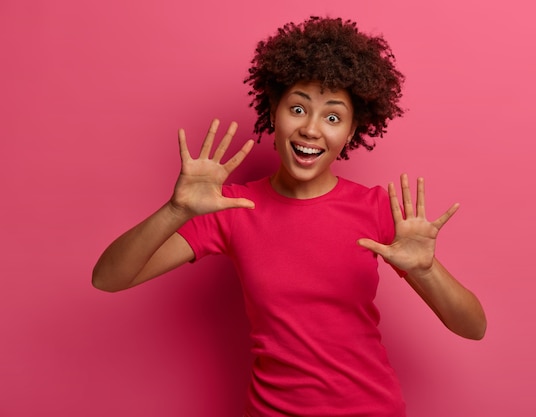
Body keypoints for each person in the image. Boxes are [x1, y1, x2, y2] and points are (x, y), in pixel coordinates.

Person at [93, 16, 486, 417]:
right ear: (274, 111)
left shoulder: (376, 209)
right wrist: (176, 210)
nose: (312, 129)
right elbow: (108, 279)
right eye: (298, 108)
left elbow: (473, 328)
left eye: (332, 117)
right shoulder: (230, 208)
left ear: (351, 133)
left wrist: (425, 271)